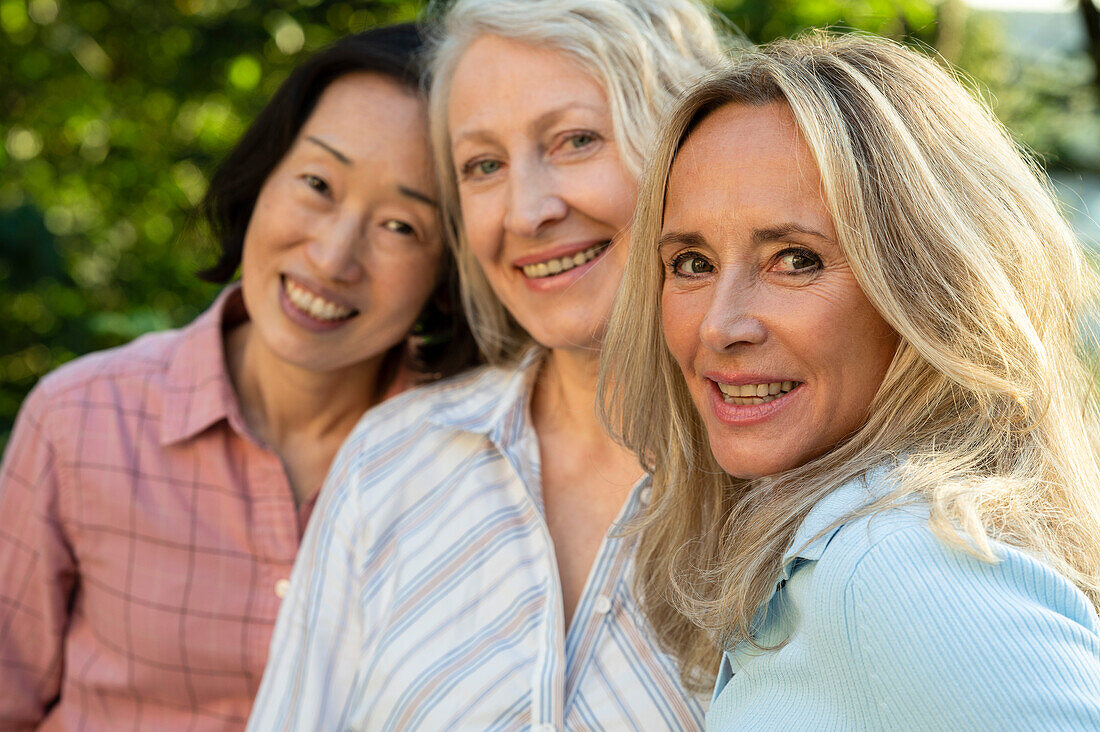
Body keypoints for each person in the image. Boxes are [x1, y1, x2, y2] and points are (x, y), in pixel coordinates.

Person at [247, 1, 729, 729]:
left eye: (574, 141)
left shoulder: (795, 478)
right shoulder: (391, 462)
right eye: (483, 165)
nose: (525, 211)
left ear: (683, 144)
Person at [599, 32, 1100, 729]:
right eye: (691, 263)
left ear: (931, 287)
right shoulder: (831, 561)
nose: (718, 325)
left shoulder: (900, 570)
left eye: (795, 259)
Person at [0, 23, 476, 729]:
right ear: (261, 181)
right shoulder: (79, 420)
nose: (333, 255)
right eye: (317, 183)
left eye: (403, 226)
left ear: (450, 275)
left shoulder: (474, 464)